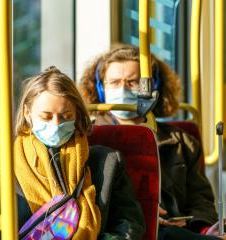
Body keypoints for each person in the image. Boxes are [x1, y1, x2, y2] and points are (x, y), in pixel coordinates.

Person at [78, 44, 225, 240]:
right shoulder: (89, 138)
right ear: (100, 88)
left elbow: (200, 200)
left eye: (132, 82)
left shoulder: (182, 142)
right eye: (114, 82)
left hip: (178, 229)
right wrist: (145, 215)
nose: (122, 89)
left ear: (152, 87)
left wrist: (203, 228)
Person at [0, 66, 145, 239]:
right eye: (46, 117)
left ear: (77, 114)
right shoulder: (3, 168)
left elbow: (129, 225)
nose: (56, 124)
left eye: (66, 116)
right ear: (27, 113)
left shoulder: (106, 163)